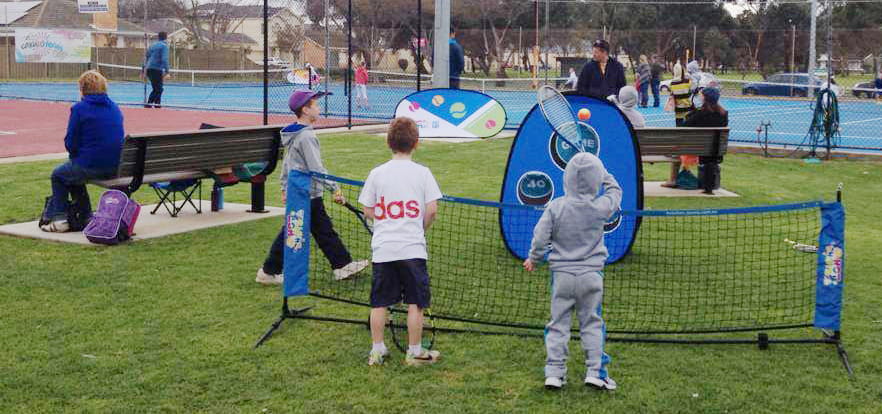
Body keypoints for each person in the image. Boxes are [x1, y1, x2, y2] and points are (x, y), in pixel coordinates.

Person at [523, 152, 622, 391]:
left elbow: (540, 237)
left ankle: (554, 373)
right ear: (596, 179)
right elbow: (615, 192)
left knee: (558, 324)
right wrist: (604, 173)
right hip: (591, 276)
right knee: (592, 323)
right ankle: (595, 372)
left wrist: (534, 258)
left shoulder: (556, 207)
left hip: (562, 276)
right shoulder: (599, 207)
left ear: (566, 178)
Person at [255, 90, 369, 286]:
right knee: (295, 232)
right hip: (306, 192)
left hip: (302, 191)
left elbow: (287, 164)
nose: (318, 108)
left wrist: (284, 187)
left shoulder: (296, 134)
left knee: (321, 230)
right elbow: (316, 169)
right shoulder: (306, 136)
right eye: (315, 105)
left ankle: (342, 265)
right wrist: (335, 189)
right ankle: (269, 271)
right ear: (305, 110)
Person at [359, 117, 443, 367]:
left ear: (389, 143)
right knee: (416, 303)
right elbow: (432, 210)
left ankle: (377, 350)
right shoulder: (423, 173)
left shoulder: (377, 173)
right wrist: (419, 228)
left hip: (384, 249)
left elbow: (367, 208)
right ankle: (414, 351)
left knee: (379, 302)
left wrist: (384, 222)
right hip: (412, 248)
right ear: (416, 143)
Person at [41, 71, 125, 232]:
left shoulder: (80, 109)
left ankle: (60, 218)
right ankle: (86, 216)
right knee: (72, 174)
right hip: (117, 167)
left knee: (59, 175)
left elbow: (71, 142)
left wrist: (75, 155)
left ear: (82, 89)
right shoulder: (114, 107)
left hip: (92, 165)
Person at [683, 87, 728, 193]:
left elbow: (685, 125)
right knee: (710, 155)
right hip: (715, 149)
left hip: (698, 149)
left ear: (705, 98)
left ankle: (677, 179)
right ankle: (709, 187)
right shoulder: (723, 114)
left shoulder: (701, 114)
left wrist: (693, 111)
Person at [662, 63, 694, 188]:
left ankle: (674, 177)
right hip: (689, 114)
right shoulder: (688, 81)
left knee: (680, 140)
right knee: (687, 140)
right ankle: (686, 168)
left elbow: (673, 97)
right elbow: (692, 91)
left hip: (679, 116)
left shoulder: (672, 84)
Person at [142, 31, 170, 109]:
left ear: (158, 37)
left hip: (149, 68)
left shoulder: (152, 46)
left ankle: (157, 105)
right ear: (166, 37)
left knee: (157, 88)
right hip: (156, 69)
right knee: (158, 89)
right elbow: (164, 59)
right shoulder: (164, 46)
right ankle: (149, 104)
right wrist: (167, 71)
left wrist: (143, 69)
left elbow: (146, 57)